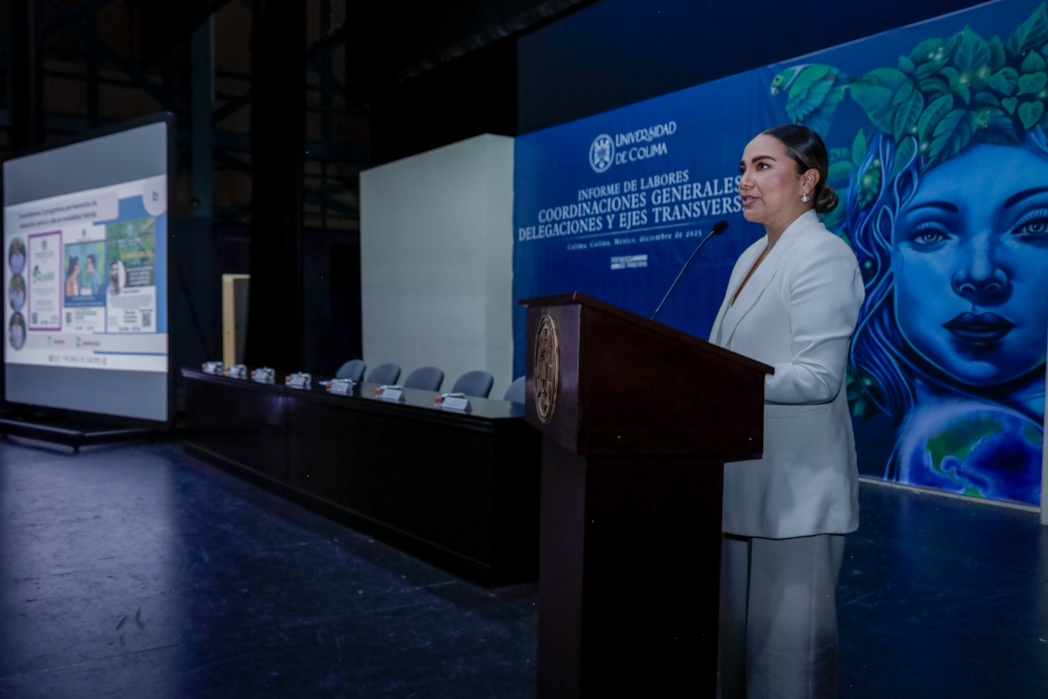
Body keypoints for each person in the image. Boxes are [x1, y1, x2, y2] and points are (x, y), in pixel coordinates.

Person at [710, 124, 864, 699]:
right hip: (740, 483)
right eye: (742, 168)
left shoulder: (824, 255)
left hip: (796, 494)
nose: (744, 181)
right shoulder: (750, 255)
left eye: (762, 166)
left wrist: (717, 379)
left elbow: (820, 379)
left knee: (788, 668)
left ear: (807, 180)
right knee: (736, 659)